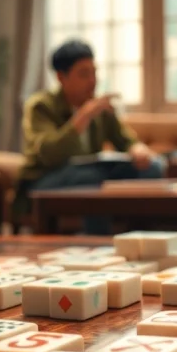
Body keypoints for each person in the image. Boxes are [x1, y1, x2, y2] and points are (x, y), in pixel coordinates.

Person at [13, 39, 164, 234]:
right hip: (44, 179)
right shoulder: (41, 106)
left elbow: (125, 140)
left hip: (91, 172)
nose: (93, 81)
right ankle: (98, 242)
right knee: (91, 176)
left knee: (153, 167)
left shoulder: (98, 107)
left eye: (94, 72)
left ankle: (140, 237)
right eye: (84, 74)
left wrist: (138, 150)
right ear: (61, 77)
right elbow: (49, 153)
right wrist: (84, 116)